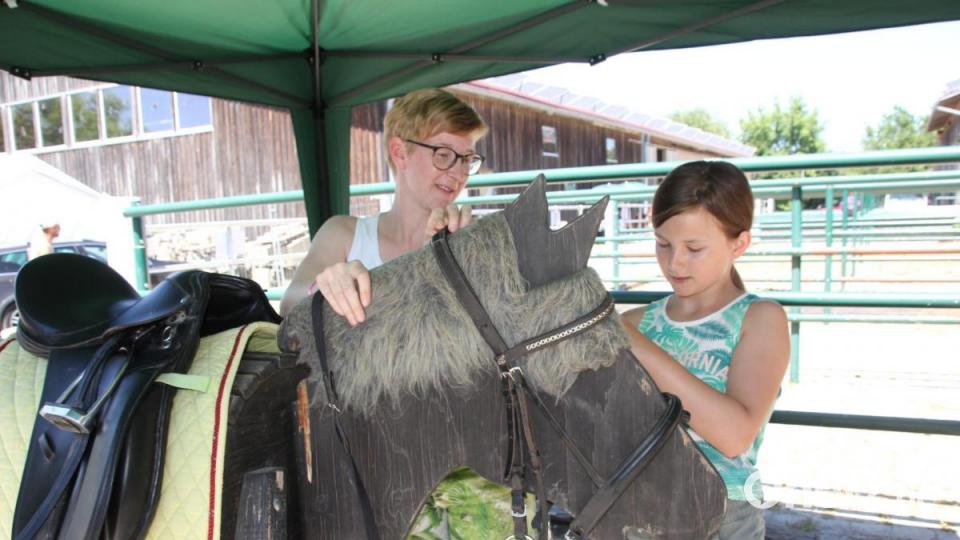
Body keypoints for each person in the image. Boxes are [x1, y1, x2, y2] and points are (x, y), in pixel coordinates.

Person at [619, 161, 790, 539]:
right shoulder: (635, 322)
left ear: (739, 244)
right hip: (636, 509)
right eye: (663, 243)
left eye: (694, 248)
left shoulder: (760, 319)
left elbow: (733, 434)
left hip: (721, 515)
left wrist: (635, 346)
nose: (674, 261)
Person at [280, 88, 487, 319]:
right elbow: (290, 304)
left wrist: (467, 259)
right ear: (399, 153)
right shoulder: (344, 235)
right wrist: (323, 288)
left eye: (467, 160)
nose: (459, 174)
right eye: (443, 155)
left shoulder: (469, 238)